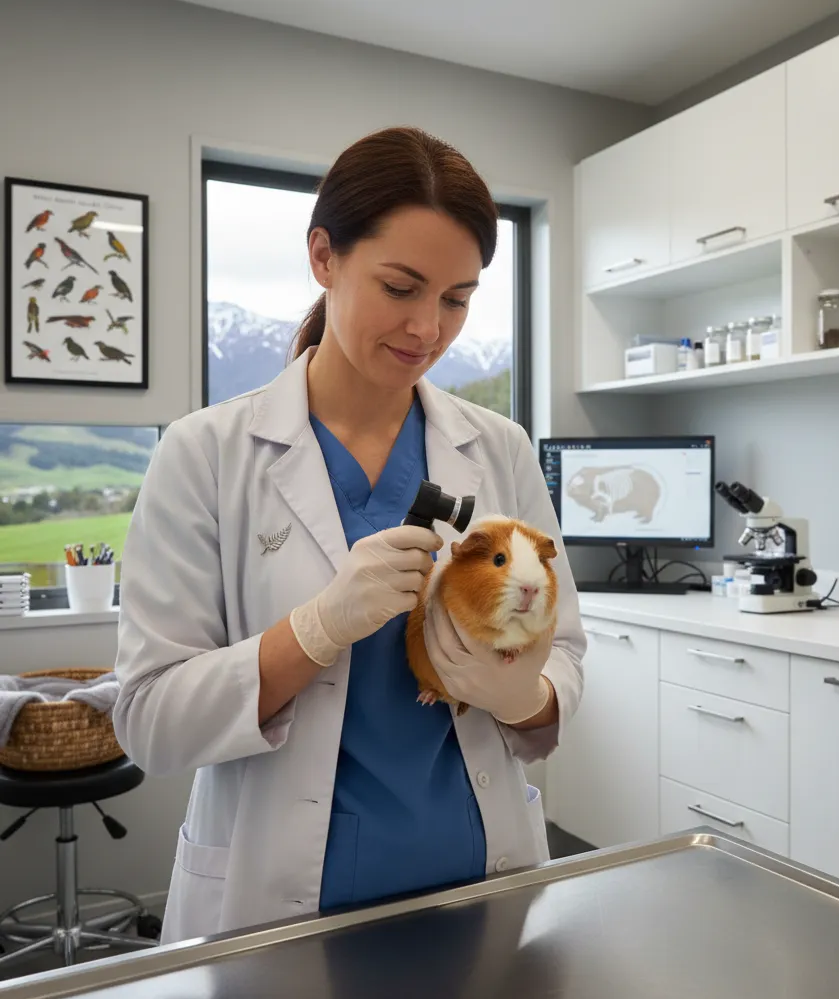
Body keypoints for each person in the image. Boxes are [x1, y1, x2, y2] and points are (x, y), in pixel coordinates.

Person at [112, 126, 585, 946]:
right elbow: (150, 720)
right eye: (401, 286)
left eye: (457, 298)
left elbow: (565, 652)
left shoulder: (498, 448)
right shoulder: (205, 454)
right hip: (281, 909)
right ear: (324, 256)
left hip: (479, 883)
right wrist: (318, 628)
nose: (428, 329)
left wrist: (523, 697)